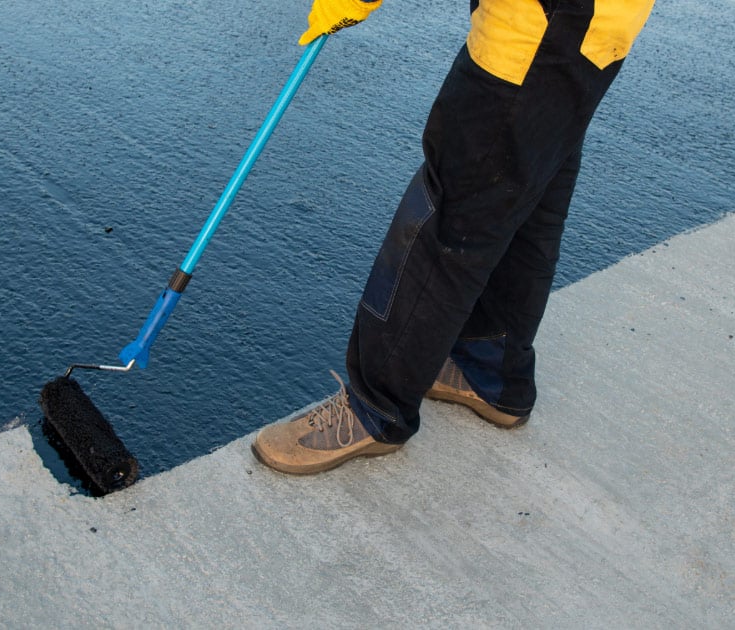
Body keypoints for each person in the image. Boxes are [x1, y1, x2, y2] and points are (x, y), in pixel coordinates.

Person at [252, 0, 655, 474]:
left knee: (449, 220)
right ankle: (489, 368)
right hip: (590, 30)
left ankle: (375, 408)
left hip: (536, 30)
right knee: (527, 201)